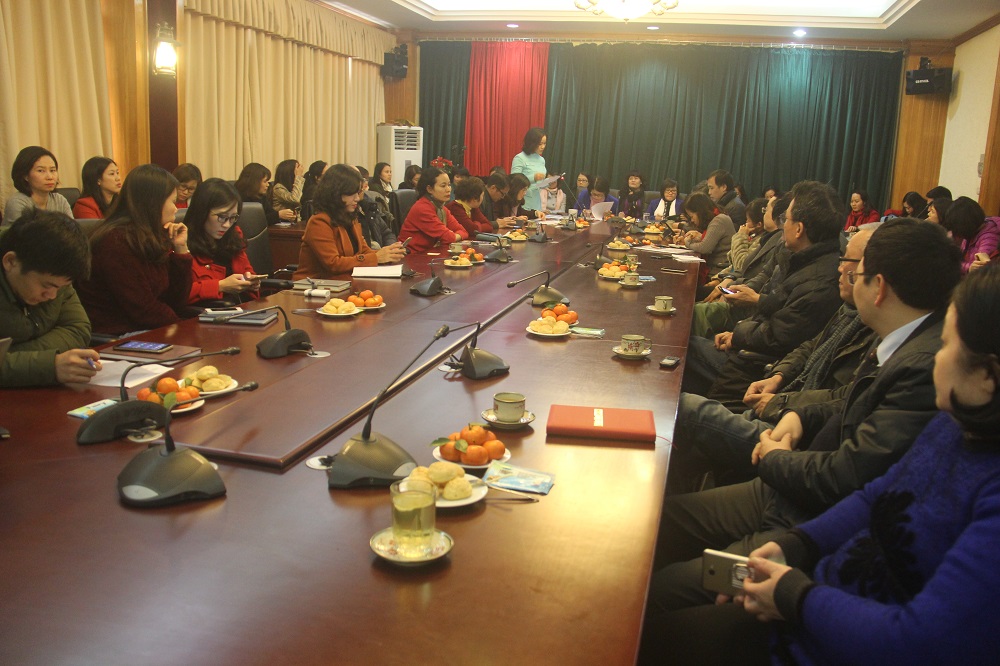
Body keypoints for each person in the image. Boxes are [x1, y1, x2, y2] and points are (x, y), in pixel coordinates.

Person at [644, 218, 963, 621]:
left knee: (660, 593)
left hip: (806, 506)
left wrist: (775, 457)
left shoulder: (920, 363)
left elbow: (849, 476)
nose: (844, 274)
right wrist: (798, 411)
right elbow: (845, 398)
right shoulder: (898, 337)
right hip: (789, 483)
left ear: (879, 287)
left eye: (856, 271)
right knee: (654, 523)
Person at [709, 263, 1000, 665]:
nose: (937, 355)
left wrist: (793, 595)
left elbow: (919, 641)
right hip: (815, 594)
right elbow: (876, 495)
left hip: (821, 633)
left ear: (987, 376)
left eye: (948, 344)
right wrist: (798, 545)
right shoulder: (954, 425)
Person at [668, 229, 877, 492]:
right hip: (781, 396)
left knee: (685, 404)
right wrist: (779, 377)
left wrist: (782, 402)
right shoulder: (848, 310)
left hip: (791, 436)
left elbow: (843, 398)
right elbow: (809, 346)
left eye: (849, 262)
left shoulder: (864, 321)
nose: (841, 267)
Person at [682, 181, 844, 399]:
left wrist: (739, 334)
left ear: (799, 229)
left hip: (755, 367)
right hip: (750, 344)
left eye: (785, 219)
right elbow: (774, 308)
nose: (781, 224)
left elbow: (779, 335)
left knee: (682, 349)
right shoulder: (798, 258)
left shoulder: (819, 282)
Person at [76, 164, 193, 336]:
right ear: (153, 203)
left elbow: (176, 301)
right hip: (120, 334)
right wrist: (185, 329)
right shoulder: (115, 242)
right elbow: (143, 309)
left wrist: (181, 249)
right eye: (173, 202)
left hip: (148, 327)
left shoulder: (152, 236)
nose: (176, 209)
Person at [0, 209, 99, 387]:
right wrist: (49, 365)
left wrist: (11, 357)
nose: (52, 295)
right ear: (11, 262)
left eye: (59, 287)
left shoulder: (56, 274)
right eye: (46, 286)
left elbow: (77, 329)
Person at [295, 165, 405, 278]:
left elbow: (364, 251)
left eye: (358, 193)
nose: (357, 198)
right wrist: (376, 257)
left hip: (344, 281)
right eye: (352, 194)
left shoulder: (350, 218)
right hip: (317, 284)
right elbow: (333, 263)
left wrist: (387, 253)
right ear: (336, 193)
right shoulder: (319, 222)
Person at [184, 178, 260, 305]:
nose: (227, 225)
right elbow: (179, 294)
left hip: (243, 309)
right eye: (222, 217)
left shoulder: (234, 236)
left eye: (233, 218)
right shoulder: (181, 244)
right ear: (202, 212)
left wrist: (251, 282)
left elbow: (247, 270)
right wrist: (220, 286)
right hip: (208, 313)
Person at [397, 167, 469, 253]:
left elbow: (463, 231)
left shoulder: (442, 209)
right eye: (443, 186)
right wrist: (453, 235)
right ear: (429, 189)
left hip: (429, 253)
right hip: (411, 255)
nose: (448, 189)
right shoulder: (422, 208)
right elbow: (448, 237)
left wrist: (453, 235)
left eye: (449, 185)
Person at [3, 146, 73, 224]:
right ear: (25, 175)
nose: (50, 177)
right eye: (40, 171)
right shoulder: (17, 203)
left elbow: (72, 229)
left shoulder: (60, 200)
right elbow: (26, 232)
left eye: (52, 170)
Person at [676, 193, 735, 282]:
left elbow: (704, 248)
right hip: (715, 267)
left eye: (692, 216)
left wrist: (686, 242)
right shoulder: (716, 218)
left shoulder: (719, 220)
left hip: (718, 271)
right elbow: (710, 240)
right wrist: (697, 238)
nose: (692, 220)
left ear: (700, 212)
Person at [941, 196, 1000, 274]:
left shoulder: (989, 237)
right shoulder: (972, 231)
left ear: (965, 223)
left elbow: (979, 268)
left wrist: (966, 267)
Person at [510, 127, 547, 212]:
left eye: (544, 143)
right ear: (532, 143)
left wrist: (548, 182)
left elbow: (539, 184)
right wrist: (533, 178)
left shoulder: (541, 160)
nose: (543, 147)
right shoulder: (520, 158)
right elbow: (514, 180)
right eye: (540, 144)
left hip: (537, 202)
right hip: (524, 202)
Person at [234, 162, 282, 227]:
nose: (268, 185)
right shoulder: (237, 197)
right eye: (265, 181)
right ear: (254, 181)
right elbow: (253, 221)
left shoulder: (261, 196)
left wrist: (284, 215)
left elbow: (270, 213)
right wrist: (278, 215)